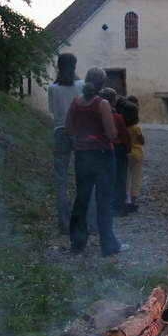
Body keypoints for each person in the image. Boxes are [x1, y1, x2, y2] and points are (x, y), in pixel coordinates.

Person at [65, 68, 121, 256]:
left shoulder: (76, 102)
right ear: (102, 84)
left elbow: (68, 128)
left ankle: (77, 243)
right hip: (103, 155)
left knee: (82, 198)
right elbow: (111, 133)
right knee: (104, 200)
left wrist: (82, 138)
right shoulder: (102, 104)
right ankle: (108, 244)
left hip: (82, 155)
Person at [47, 53, 84, 234]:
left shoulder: (52, 88)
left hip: (60, 131)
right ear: (74, 65)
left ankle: (64, 223)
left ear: (58, 66)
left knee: (61, 179)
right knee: (82, 177)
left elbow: (52, 110)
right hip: (79, 131)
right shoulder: (81, 85)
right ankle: (82, 220)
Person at [99, 88, 132, 217]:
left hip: (102, 149)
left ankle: (106, 206)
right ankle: (118, 206)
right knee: (120, 178)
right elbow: (124, 135)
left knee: (106, 178)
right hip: (118, 149)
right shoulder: (117, 117)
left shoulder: (97, 115)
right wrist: (128, 148)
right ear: (113, 101)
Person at [125, 95, 144, 213]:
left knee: (126, 177)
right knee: (136, 177)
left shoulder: (123, 126)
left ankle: (126, 200)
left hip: (126, 153)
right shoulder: (136, 128)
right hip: (137, 154)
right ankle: (133, 200)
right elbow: (142, 141)